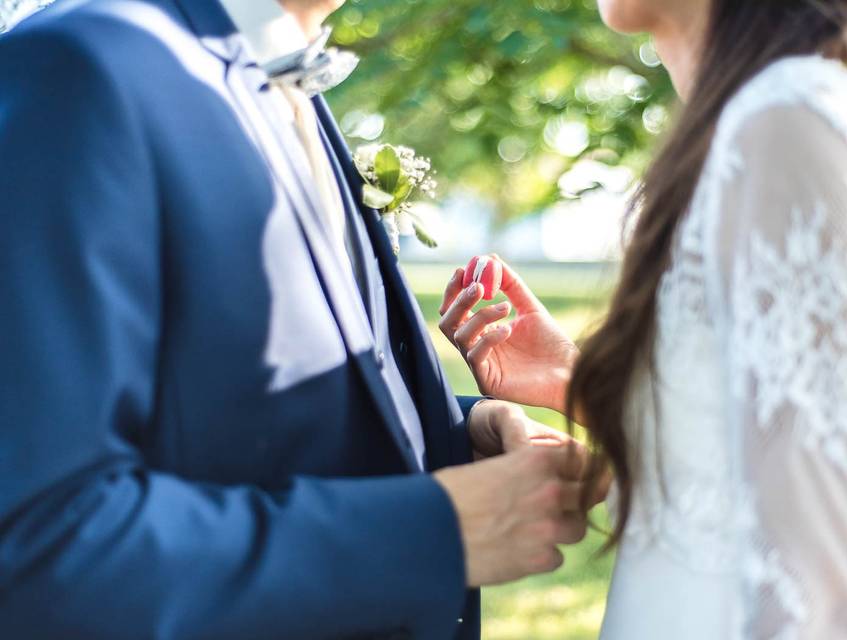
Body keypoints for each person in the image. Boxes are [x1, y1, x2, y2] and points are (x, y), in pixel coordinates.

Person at [0, 1, 596, 638]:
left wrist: (457, 430)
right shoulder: (83, 68)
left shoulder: (287, 77)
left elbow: (221, 402)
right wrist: (434, 532)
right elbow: (41, 543)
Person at [440, 0, 847, 637]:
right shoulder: (766, 121)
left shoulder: (787, 126)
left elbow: (818, 584)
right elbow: (740, 471)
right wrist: (580, 385)